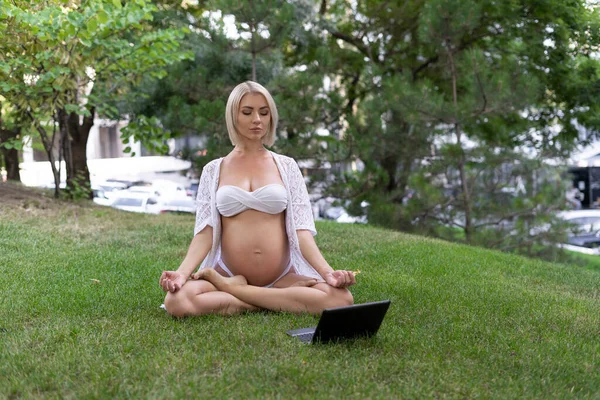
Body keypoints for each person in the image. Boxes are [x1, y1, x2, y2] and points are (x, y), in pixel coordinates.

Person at [159, 81, 356, 316]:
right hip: (228, 273)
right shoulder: (213, 170)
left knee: (341, 299)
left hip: (283, 277)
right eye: (247, 112)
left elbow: (301, 230)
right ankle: (268, 300)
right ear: (233, 115)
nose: (257, 120)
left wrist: (327, 273)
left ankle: (235, 293)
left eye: (264, 113)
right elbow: (206, 232)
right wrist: (182, 273)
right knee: (176, 302)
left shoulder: (286, 166)